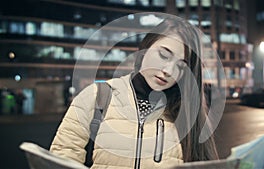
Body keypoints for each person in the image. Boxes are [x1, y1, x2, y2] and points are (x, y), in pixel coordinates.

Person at [50, 16, 219, 169]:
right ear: (144, 48)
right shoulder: (97, 96)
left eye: (181, 66)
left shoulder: (188, 114)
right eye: (163, 55)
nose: (169, 70)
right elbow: (63, 157)